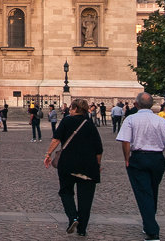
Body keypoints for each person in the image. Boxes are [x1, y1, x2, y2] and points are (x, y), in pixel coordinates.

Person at [116, 93, 165, 241]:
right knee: (152, 191)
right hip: (158, 159)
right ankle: (149, 223)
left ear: (136, 104)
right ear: (152, 105)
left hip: (139, 158)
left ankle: (152, 231)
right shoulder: (161, 121)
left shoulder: (131, 119)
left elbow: (125, 142)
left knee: (143, 193)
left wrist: (127, 158)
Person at [44, 98, 103, 237]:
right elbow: (99, 149)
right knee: (86, 199)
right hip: (88, 166)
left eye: (71, 108)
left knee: (66, 192)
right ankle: (82, 230)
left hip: (68, 164)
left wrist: (48, 154)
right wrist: (98, 165)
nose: (69, 110)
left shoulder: (67, 121)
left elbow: (56, 139)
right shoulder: (89, 124)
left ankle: (73, 217)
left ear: (76, 109)